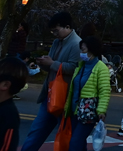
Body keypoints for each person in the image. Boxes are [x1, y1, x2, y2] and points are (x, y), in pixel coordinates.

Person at [21, 11, 82, 151]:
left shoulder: (76, 44)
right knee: (36, 131)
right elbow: (52, 64)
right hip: (50, 93)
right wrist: (42, 63)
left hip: (64, 96)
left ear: (67, 27)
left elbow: (74, 68)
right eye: (53, 31)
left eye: (56, 30)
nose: (55, 34)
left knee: (66, 134)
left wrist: (52, 63)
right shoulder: (57, 42)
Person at [65, 35, 111, 151]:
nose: (81, 53)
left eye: (83, 50)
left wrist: (101, 110)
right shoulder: (81, 66)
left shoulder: (101, 68)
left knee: (75, 142)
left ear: (91, 50)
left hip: (88, 111)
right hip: (76, 109)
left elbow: (104, 91)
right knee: (79, 143)